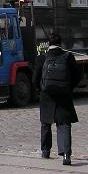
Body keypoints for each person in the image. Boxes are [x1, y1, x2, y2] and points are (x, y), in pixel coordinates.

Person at [32, 33, 81, 166]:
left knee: (45, 123)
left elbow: (35, 79)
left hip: (46, 96)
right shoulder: (68, 57)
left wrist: (41, 90)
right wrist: (68, 88)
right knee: (64, 124)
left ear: (48, 44)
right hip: (64, 95)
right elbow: (77, 77)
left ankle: (45, 151)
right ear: (61, 44)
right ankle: (66, 155)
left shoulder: (41, 58)